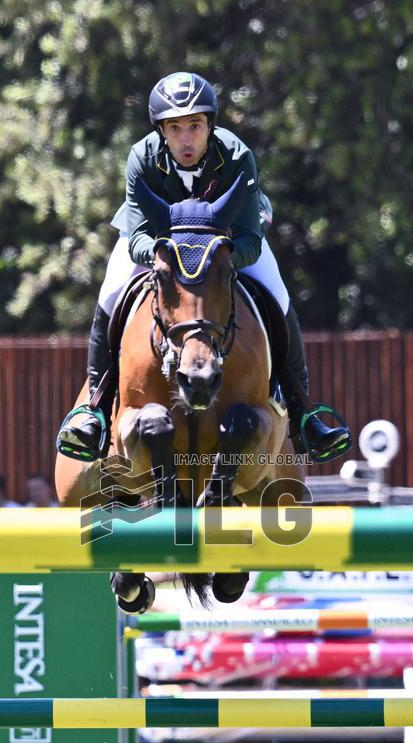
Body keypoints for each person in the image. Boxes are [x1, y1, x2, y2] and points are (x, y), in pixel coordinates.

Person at [59, 71, 350, 464]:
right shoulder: (142, 158)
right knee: (110, 294)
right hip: (159, 244)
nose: (186, 139)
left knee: (277, 296)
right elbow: (140, 235)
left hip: (226, 244)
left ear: (209, 125)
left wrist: (219, 256)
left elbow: (249, 235)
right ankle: (93, 411)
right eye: (175, 128)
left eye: (195, 126)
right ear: (162, 130)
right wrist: (167, 256)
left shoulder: (237, 156)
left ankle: (305, 415)